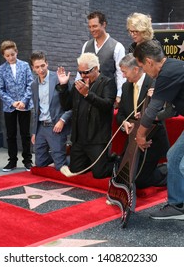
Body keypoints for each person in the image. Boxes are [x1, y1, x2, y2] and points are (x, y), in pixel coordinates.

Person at [134, 40, 184, 220]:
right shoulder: (172, 69)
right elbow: (171, 110)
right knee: (174, 156)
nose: (145, 73)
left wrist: (140, 135)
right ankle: (177, 205)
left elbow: (153, 107)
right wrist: (154, 118)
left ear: (148, 61)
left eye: (142, 67)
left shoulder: (167, 73)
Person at [56, 52, 117, 179]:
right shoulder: (78, 83)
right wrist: (63, 86)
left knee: (99, 174)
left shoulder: (107, 82)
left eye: (86, 72)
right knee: (76, 170)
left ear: (95, 68)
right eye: (80, 72)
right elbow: (67, 105)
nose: (83, 75)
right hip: (79, 138)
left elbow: (107, 105)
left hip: (97, 137)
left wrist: (87, 94)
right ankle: (92, 160)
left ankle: (116, 161)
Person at [116, 53, 169, 189]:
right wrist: (124, 124)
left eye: (124, 72)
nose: (123, 76)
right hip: (133, 141)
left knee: (140, 181)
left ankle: (171, 172)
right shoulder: (126, 87)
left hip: (151, 140)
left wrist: (146, 114)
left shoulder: (154, 83)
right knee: (123, 175)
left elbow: (165, 112)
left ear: (135, 69)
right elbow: (121, 114)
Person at [30, 51, 72, 171]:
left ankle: (74, 158)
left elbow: (72, 105)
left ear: (47, 64)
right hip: (41, 127)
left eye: (43, 65)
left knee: (60, 167)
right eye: (37, 67)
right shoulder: (34, 84)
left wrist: (62, 120)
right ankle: (59, 155)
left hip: (56, 126)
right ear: (33, 68)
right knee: (40, 163)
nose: (41, 69)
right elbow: (36, 110)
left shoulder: (59, 78)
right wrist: (34, 132)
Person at [0, 40, 33, 172]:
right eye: (7, 55)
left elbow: (30, 84)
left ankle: (28, 161)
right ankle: (12, 161)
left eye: (12, 54)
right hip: (9, 107)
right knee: (11, 134)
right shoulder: (1, 69)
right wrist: (12, 102)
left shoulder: (25, 66)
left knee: (25, 134)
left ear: (16, 52)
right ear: (4, 56)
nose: (10, 57)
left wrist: (23, 101)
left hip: (25, 105)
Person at [80, 11, 125, 107]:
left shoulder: (117, 47)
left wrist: (119, 94)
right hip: (88, 93)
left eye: (95, 26)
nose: (92, 29)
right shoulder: (86, 45)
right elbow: (81, 71)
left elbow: (120, 74)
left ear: (104, 24)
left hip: (107, 95)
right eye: (90, 27)